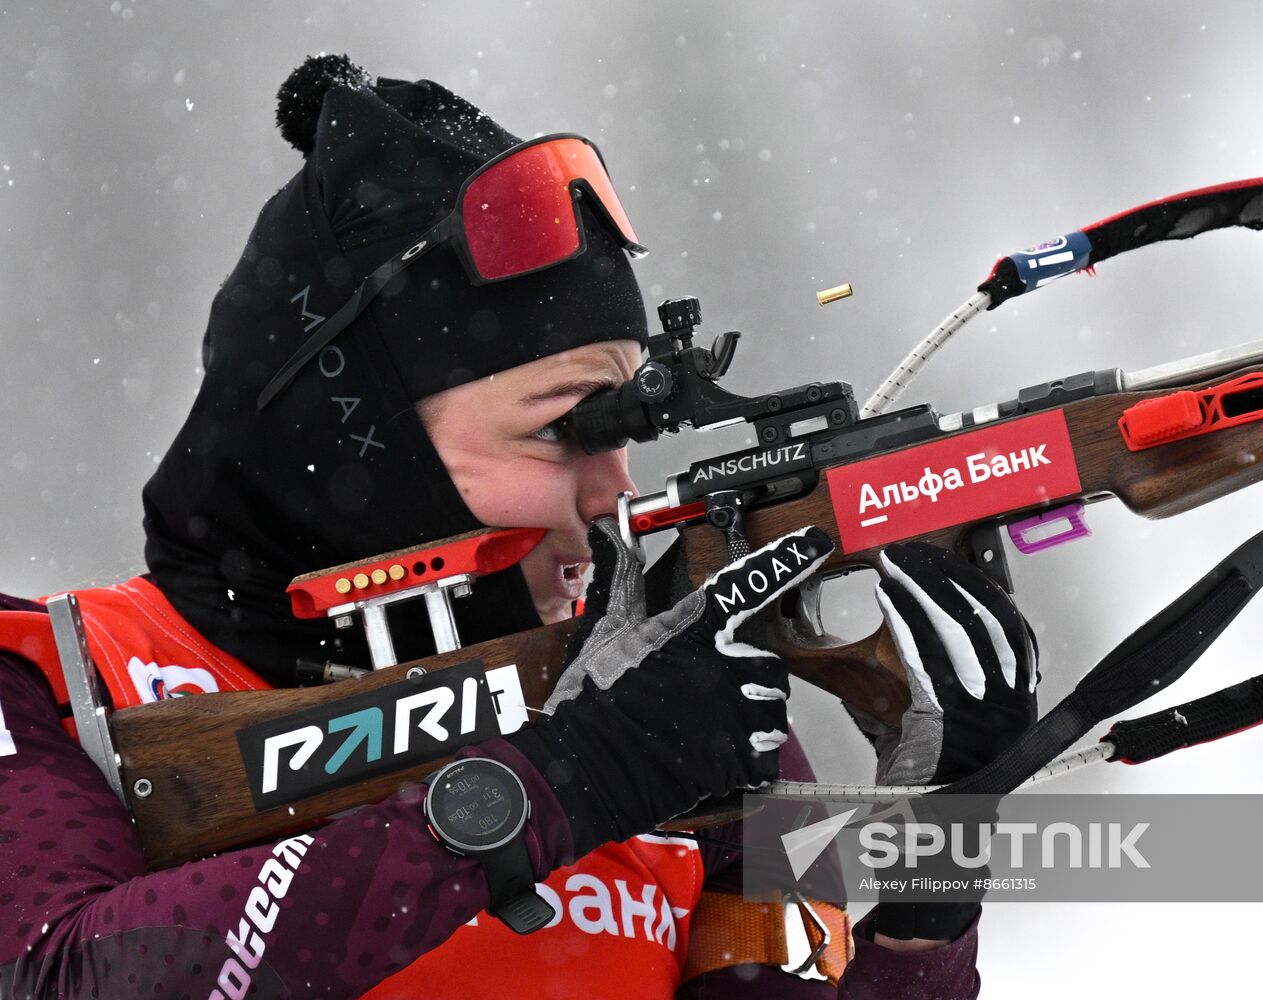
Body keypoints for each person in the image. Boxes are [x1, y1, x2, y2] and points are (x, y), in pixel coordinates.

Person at [0, 56, 1035, 998]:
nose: (614, 490)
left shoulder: (669, 710)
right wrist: (565, 780)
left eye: (628, 429)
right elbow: (62, 976)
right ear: (361, 440)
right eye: (566, 429)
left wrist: (930, 887)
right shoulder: (53, 684)